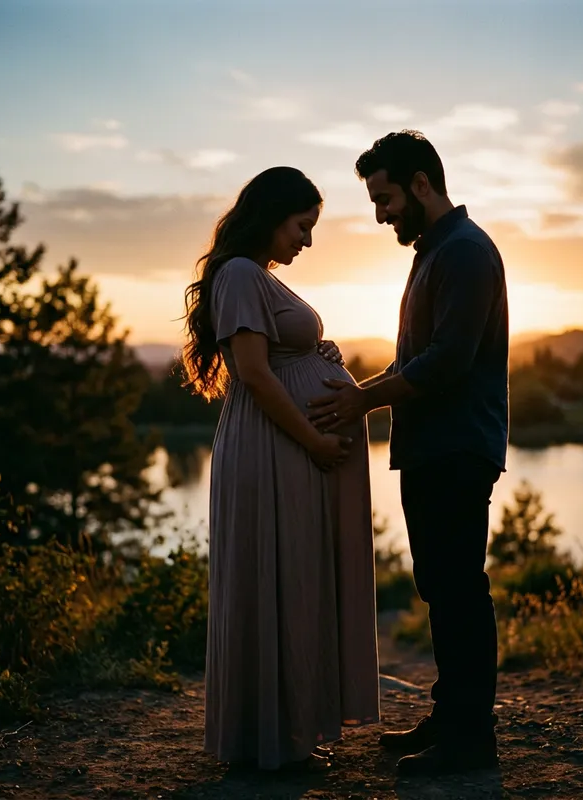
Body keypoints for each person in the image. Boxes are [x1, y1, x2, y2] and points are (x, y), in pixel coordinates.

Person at [307, 131, 509, 775]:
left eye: (386, 198)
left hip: (458, 446)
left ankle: (471, 740)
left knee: (459, 590)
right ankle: (452, 717)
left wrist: (362, 401)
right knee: (439, 588)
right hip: (429, 447)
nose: (381, 214)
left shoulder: (466, 252)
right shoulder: (434, 252)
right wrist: (356, 392)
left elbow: (447, 362)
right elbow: (411, 360)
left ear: (422, 183)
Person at [182, 166, 380, 771]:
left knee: (293, 579)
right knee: (279, 577)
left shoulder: (257, 276)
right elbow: (253, 373)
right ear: (271, 217)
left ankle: (285, 731)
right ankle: (273, 741)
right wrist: (314, 441)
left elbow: (276, 358)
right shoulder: (242, 273)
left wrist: (317, 355)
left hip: (282, 445)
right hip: (273, 447)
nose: (307, 241)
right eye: (301, 226)